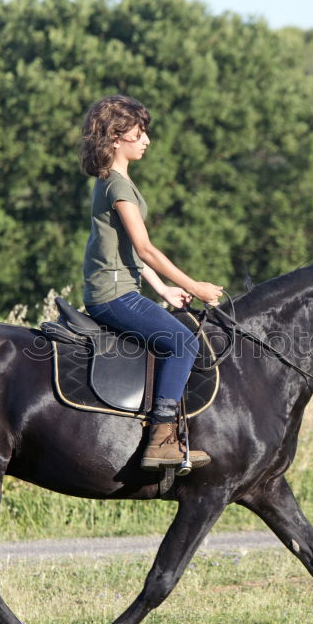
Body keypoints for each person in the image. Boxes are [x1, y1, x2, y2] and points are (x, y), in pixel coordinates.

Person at [79, 95, 224, 471]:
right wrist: (196, 286)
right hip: (114, 295)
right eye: (139, 134)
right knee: (183, 343)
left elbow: (125, 251)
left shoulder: (114, 181)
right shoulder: (118, 187)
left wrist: (163, 289)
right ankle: (161, 437)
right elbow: (145, 249)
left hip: (121, 286)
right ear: (115, 138)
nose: (147, 141)